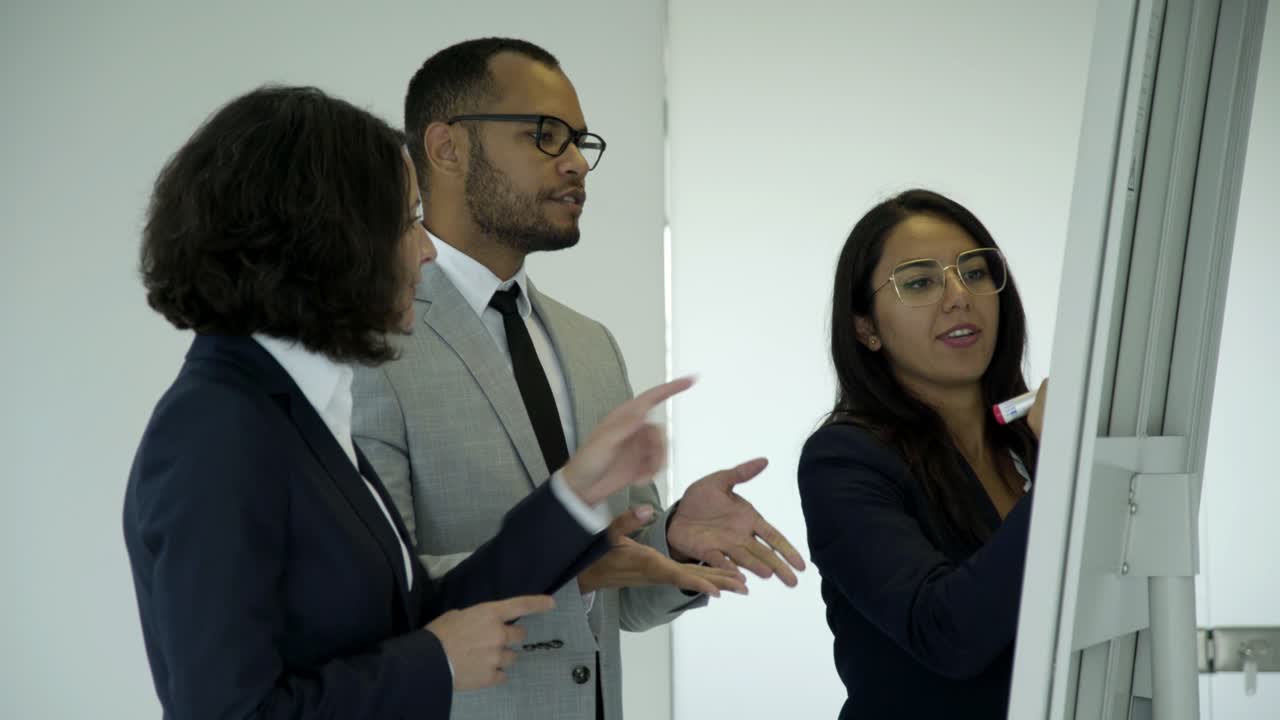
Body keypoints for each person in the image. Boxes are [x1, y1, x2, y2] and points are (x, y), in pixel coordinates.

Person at [122, 84, 693, 719]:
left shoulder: (301, 410)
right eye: (406, 221)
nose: (426, 249)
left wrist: (575, 494)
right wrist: (434, 664)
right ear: (323, 241)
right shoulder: (216, 428)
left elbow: (418, 613)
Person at [352, 38, 806, 720]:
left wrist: (674, 536)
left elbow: (623, 604)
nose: (574, 162)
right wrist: (574, 572)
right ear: (446, 148)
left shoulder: (591, 346)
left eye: (578, 141)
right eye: (544, 135)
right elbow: (377, 605)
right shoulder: (366, 343)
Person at [798, 189, 1049, 718]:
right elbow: (947, 634)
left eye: (976, 273)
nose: (959, 295)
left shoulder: (1029, 442)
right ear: (865, 328)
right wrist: (1063, 480)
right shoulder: (843, 459)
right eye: (919, 282)